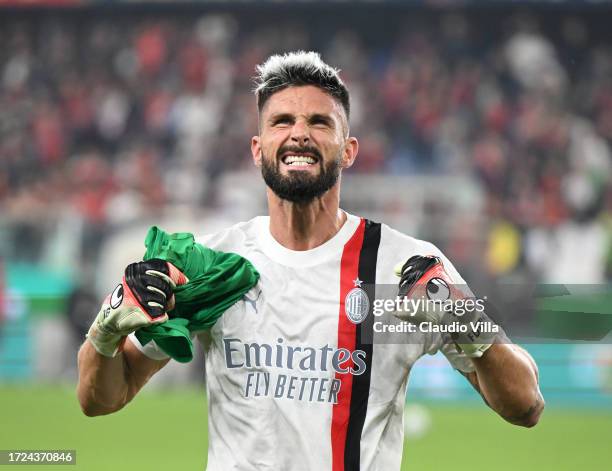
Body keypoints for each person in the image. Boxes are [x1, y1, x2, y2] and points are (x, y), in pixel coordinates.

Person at [77, 51, 543, 470]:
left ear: (349, 150)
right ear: (258, 149)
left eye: (320, 122)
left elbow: (525, 406)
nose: (299, 133)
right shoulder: (215, 264)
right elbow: (101, 399)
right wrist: (106, 328)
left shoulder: (401, 266)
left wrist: (463, 319)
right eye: (281, 121)